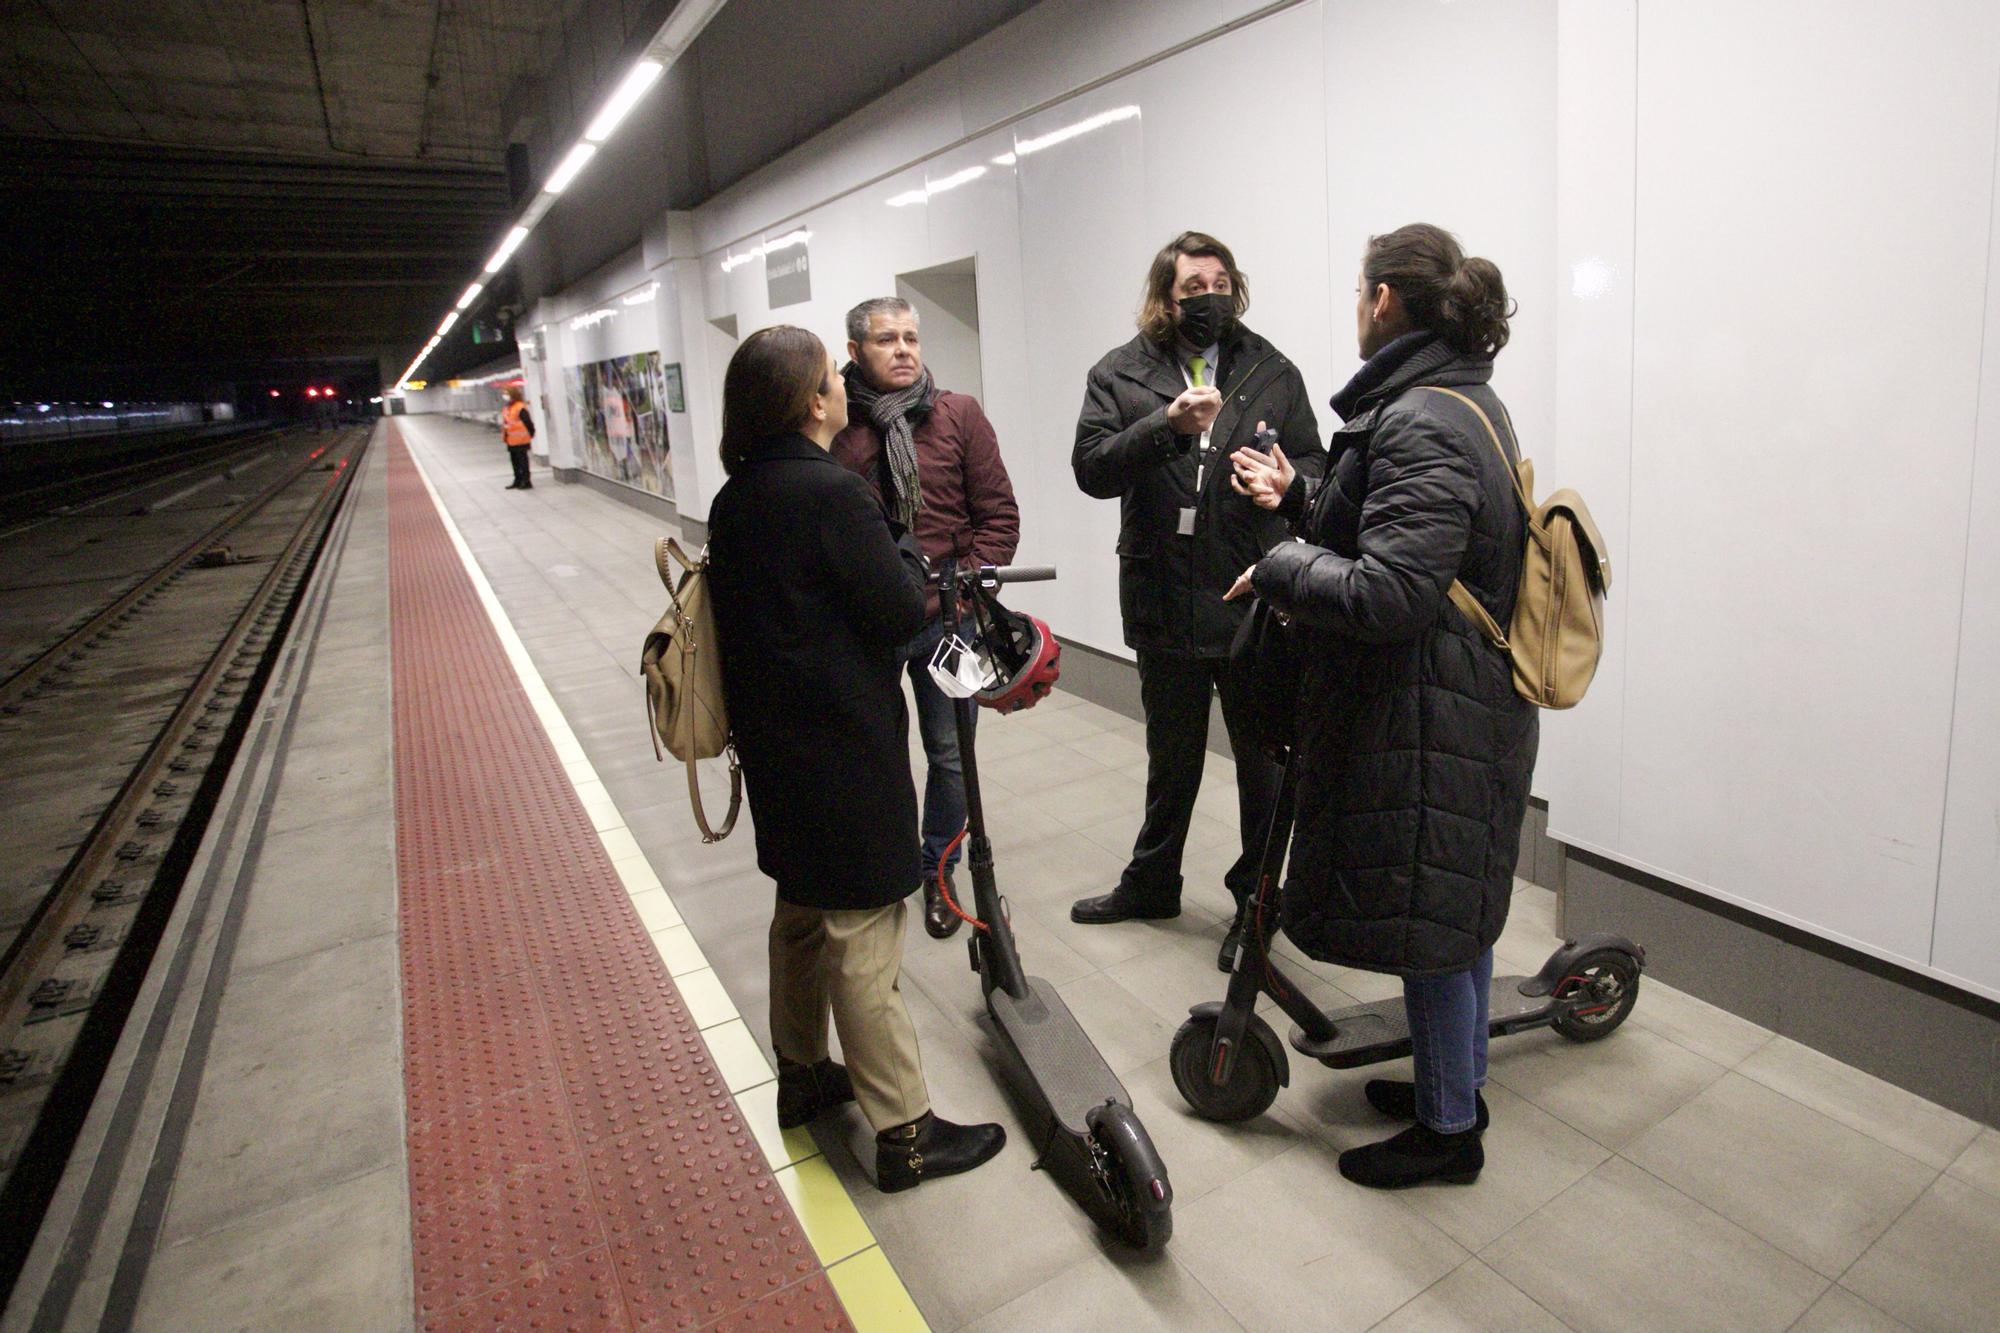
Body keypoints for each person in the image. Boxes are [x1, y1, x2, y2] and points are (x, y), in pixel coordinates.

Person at [1225, 224, 1536, 1189]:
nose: (1356, 310)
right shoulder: (1456, 401)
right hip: (1447, 706)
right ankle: (1458, 1082)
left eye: (1361, 294)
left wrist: (1280, 562)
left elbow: (1390, 591)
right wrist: (1301, 496)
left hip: (1430, 718)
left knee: (1432, 926)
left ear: (1386, 302)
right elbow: (1400, 535)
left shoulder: (1420, 419)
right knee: (1453, 918)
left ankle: (1451, 1132)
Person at [704, 324, 1006, 1193]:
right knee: (864, 929)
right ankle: (906, 1132)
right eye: (829, 377)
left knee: (799, 910)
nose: (842, 385)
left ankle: (801, 1074)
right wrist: (911, 557)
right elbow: (897, 614)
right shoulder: (833, 494)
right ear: (812, 401)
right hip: (842, 744)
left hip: (774, 746)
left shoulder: (737, 496)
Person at [1069, 231, 1326, 969]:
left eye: (1219, 283)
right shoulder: (1119, 372)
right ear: (1166, 295)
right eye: (1191, 287)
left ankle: (1256, 903)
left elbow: (1313, 458)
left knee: (1262, 765)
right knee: (1170, 756)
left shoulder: (1273, 369)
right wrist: (1165, 428)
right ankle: (1153, 882)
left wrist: (1283, 478)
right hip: (1162, 597)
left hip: (1252, 595)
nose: (1207, 296)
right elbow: (1091, 467)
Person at [832, 297, 1020, 941]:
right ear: (855, 352)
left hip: (949, 621)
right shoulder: (836, 426)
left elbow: (998, 517)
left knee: (949, 754)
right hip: (869, 627)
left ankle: (940, 875)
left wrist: (965, 593)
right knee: (878, 754)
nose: (905, 349)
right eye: (887, 339)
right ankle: (886, 873)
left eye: (912, 336)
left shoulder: (957, 415)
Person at [500, 385, 535, 490]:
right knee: (514, 460)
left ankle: (526, 481)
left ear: (513, 394)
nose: (504, 396)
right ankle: (517, 480)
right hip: (510, 439)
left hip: (521, 439)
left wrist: (531, 433)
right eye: (504, 393)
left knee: (522, 460)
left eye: (506, 393)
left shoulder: (520, 407)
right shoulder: (507, 407)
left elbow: (527, 422)